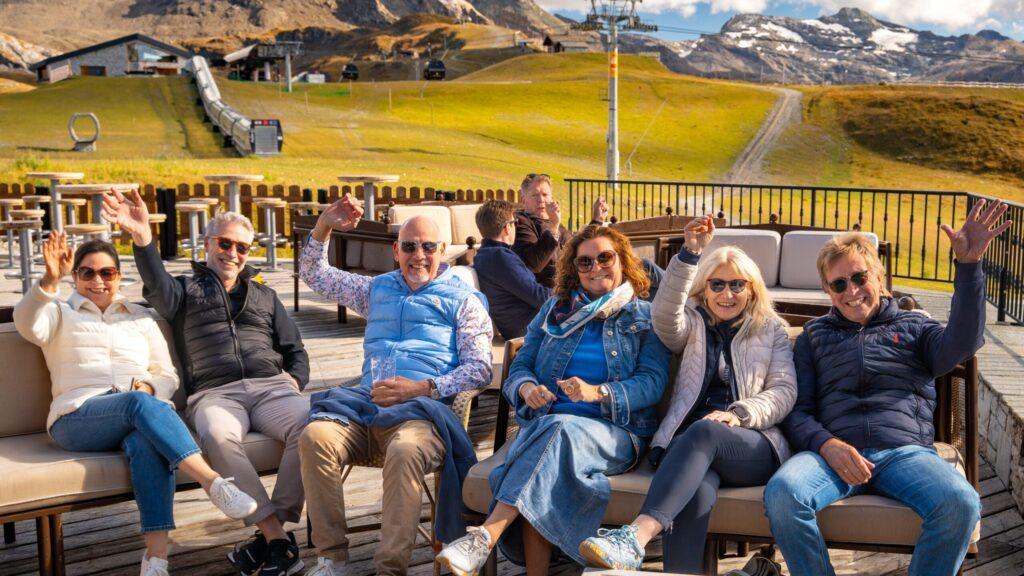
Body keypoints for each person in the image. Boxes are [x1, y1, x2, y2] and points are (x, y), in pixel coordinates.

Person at [765, 199, 1013, 576]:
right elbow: (797, 412)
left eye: (860, 277)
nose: (851, 291)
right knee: (783, 492)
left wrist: (969, 267)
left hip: (905, 453)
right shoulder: (813, 337)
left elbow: (963, 342)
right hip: (832, 457)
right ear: (827, 291)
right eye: (838, 284)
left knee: (961, 502)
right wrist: (828, 446)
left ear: (879, 276)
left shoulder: (914, 327)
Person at [13, 233, 257, 576]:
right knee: (137, 404)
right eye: (87, 273)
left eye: (107, 273)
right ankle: (213, 483)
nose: (98, 281)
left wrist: (150, 385)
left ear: (118, 275)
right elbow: (26, 324)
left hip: (136, 412)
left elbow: (168, 375)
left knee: (146, 442)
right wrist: (48, 281)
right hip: (77, 417)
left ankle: (156, 562)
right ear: (75, 276)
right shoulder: (57, 313)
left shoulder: (140, 317)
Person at [436, 225, 670, 576]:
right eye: (585, 262)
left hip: (616, 431)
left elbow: (653, 382)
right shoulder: (553, 313)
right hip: (549, 425)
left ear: (622, 261)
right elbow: (521, 367)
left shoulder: (645, 316)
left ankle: (487, 534)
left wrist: (598, 392)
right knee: (551, 442)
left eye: (605, 257)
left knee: (553, 431)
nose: (596, 268)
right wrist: (527, 389)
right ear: (574, 271)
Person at [103, 191, 312, 576]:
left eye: (242, 247)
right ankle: (277, 536)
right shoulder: (182, 291)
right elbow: (154, 283)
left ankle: (271, 535)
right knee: (217, 436)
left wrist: (294, 381)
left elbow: (295, 350)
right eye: (225, 243)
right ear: (207, 244)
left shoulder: (266, 296)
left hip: (273, 388)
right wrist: (142, 237)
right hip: (215, 394)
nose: (233, 253)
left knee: (312, 426)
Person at [579, 215, 797, 573]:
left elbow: (784, 391)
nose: (727, 294)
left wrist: (739, 414)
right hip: (692, 450)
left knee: (705, 430)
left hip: (753, 444)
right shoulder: (692, 324)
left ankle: (635, 536)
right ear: (704, 288)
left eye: (737, 285)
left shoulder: (770, 330)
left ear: (752, 289)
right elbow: (664, 316)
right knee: (694, 494)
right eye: (717, 284)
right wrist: (690, 256)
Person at [297, 194, 493, 576]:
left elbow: (481, 369)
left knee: (404, 450)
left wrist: (424, 388)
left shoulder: (464, 301)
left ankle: (390, 569)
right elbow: (314, 274)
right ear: (395, 251)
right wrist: (324, 225)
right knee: (314, 437)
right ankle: (332, 560)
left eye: (428, 247)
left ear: (442, 251)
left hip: (422, 416)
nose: (418, 255)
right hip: (364, 409)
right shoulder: (376, 290)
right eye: (409, 247)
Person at [513, 174, 663, 299]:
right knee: (644, 269)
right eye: (535, 195)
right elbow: (534, 263)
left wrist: (596, 219)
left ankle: (675, 299)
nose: (541, 200)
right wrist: (553, 226)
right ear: (523, 199)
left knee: (646, 276)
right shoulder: (522, 223)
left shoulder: (553, 222)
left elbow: (579, 245)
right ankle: (681, 290)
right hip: (569, 285)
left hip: (583, 273)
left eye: (545, 195)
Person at [472, 199, 551, 339]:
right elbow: (540, 297)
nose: (516, 227)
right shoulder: (499, 257)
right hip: (533, 330)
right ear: (507, 228)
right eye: (515, 223)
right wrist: (571, 293)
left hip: (527, 326)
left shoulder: (485, 254)